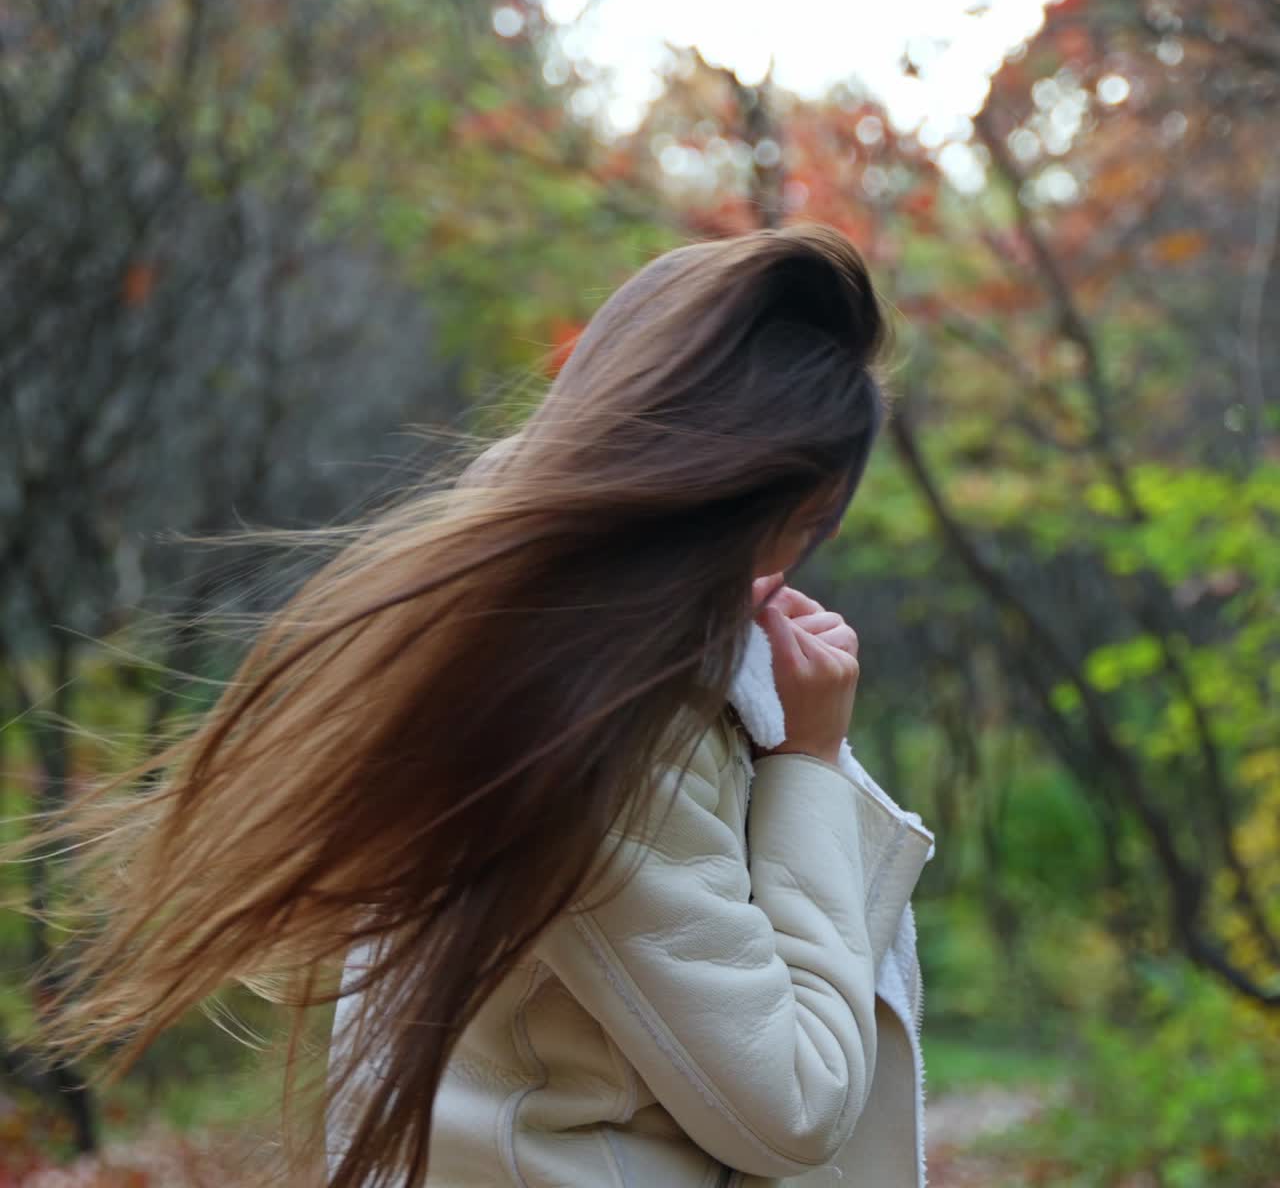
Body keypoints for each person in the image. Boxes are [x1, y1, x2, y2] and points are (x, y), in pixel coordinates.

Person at [28, 224, 933, 1186]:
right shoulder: (615, 731)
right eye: (789, 531)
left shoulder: (487, 640)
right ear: (720, 505)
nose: (782, 573)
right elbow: (797, 1104)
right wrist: (808, 763)